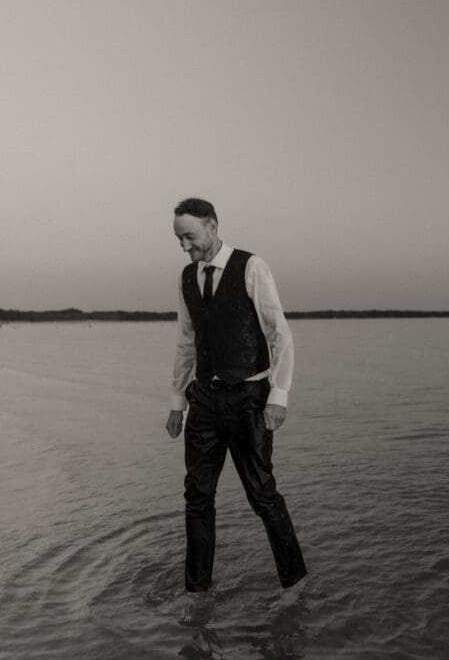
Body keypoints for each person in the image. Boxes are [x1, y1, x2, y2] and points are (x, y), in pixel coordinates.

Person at [165, 197, 307, 598]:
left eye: (189, 237)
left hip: (249, 398)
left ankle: (294, 583)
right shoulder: (186, 278)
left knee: (262, 495)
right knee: (197, 499)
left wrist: (278, 395)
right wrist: (178, 402)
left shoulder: (251, 267)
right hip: (204, 403)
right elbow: (186, 343)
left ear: (212, 225)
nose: (184, 247)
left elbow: (280, 333)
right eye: (178, 239)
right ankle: (197, 592)